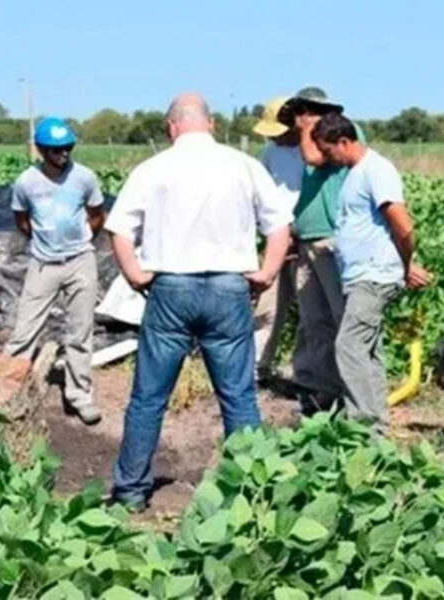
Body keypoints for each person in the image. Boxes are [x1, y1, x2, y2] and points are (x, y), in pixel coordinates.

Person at [106, 92, 292, 509]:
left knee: (149, 398)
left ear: (171, 127)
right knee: (238, 396)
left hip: (171, 288)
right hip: (228, 287)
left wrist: (135, 274)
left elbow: (118, 229)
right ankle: (250, 491)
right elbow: (280, 226)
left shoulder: (153, 168)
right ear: (211, 124)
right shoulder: (243, 165)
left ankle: (131, 492)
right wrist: (266, 273)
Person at [311, 112, 431, 432]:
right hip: (361, 275)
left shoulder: (376, 170)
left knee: (348, 347)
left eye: (327, 150)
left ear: (344, 142)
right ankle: (377, 424)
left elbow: (403, 227)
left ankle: (364, 427)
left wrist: (405, 265)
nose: (325, 157)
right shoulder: (354, 173)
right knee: (368, 351)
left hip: (374, 277)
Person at [4, 116, 106, 425]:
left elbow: (97, 215)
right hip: (43, 263)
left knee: (79, 331)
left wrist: (80, 241)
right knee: (24, 330)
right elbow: (22, 221)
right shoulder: (26, 183)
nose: (63, 155)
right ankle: (7, 393)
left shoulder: (84, 177)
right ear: (40, 150)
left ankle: (80, 396)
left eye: (68, 148)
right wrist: (44, 243)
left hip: (80, 261)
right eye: (56, 150)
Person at [279, 87, 361, 402]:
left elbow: (312, 157)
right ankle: (321, 387)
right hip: (309, 242)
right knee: (314, 319)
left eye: (309, 111)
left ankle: (349, 387)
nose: (303, 118)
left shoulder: (339, 135)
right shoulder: (315, 138)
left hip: (330, 239)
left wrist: (305, 129)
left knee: (340, 317)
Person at [252, 96, 303, 376]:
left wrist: (296, 231)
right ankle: (257, 366)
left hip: (305, 238)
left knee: (312, 312)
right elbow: (260, 195)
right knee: (268, 308)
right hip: (275, 239)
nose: (274, 138)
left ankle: (307, 371)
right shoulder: (270, 153)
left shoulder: (314, 151)